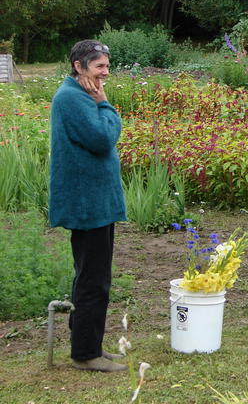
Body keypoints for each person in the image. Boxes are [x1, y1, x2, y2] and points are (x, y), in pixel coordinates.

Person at [49, 40, 127, 371]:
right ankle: (85, 354)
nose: (105, 72)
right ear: (79, 67)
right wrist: (107, 105)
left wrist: (100, 103)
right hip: (87, 203)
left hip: (94, 202)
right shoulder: (72, 97)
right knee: (93, 280)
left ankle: (89, 343)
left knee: (93, 276)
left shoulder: (81, 94)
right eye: (99, 66)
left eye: (107, 66)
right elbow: (101, 138)